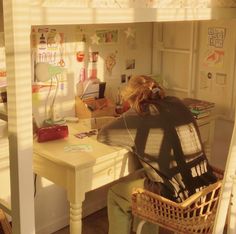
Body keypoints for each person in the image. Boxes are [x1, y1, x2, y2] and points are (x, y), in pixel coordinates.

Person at [97, 75, 217, 234]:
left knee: (116, 195)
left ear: (133, 99)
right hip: (207, 195)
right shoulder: (177, 102)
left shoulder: (137, 115)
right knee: (147, 185)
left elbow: (103, 135)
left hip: (179, 203)